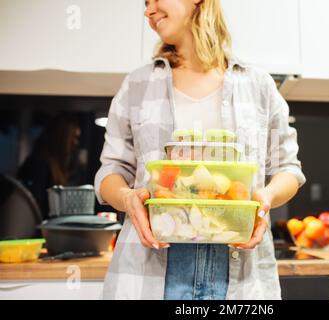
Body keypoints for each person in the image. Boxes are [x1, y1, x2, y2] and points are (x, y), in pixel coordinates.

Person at [95, 0, 306, 300]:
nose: (148, 10)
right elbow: (111, 171)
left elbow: (288, 169)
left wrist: (266, 197)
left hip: (239, 278)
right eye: (145, 3)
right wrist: (128, 198)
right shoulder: (138, 85)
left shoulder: (258, 85)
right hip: (149, 274)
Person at [18, 114, 82, 219]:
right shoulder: (40, 163)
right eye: (73, 137)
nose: (76, 142)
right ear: (63, 136)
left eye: (77, 138)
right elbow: (36, 205)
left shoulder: (65, 166)